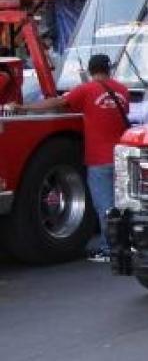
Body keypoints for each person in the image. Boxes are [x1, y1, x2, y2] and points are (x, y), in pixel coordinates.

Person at [14, 54, 130, 262]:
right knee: (120, 205)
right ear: (109, 69)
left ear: (90, 70)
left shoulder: (86, 90)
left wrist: (24, 108)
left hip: (98, 159)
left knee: (104, 206)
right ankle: (126, 244)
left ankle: (109, 249)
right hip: (120, 157)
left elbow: (58, 103)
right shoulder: (122, 90)